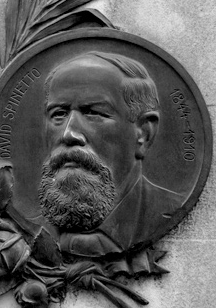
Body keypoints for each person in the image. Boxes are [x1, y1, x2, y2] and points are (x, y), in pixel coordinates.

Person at [38, 51, 185, 258]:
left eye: (93, 113)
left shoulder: (168, 210)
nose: (68, 134)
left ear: (143, 133)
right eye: (59, 114)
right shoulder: (29, 225)